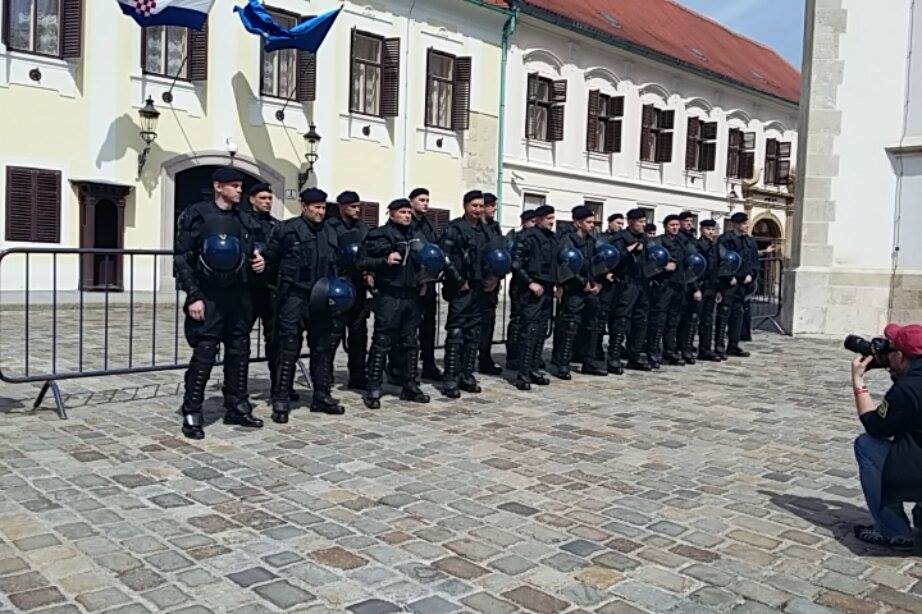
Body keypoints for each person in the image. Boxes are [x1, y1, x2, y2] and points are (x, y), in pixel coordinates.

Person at [173, 167, 265, 439]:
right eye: (234, 185)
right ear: (218, 187)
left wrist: (260, 260)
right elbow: (182, 258)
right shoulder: (197, 214)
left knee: (239, 351)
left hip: (238, 294)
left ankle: (237, 405)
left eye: (240, 186)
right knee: (205, 352)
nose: (239, 190)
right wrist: (193, 295)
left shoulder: (244, 219)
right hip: (208, 294)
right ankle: (192, 410)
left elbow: (254, 248)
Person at [264, 188, 346, 423]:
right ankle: (281, 398)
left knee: (323, 348)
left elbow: (338, 263)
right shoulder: (287, 230)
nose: (320, 212)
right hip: (295, 296)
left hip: (322, 297)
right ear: (304, 206)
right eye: (316, 207)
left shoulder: (331, 231)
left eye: (323, 208)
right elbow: (270, 261)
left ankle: (321, 395)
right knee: (288, 348)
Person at [851, 323, 922, 550]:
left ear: (900, 356)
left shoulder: (907, 389)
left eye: (890, 351)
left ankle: (893, 531)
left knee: (866, 445)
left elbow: (877, 427)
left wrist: (858, 381)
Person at [359, 199, 432, 409]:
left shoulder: (415, 235)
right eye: (402, 212)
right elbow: (362, 261)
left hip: (411, 295)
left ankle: (410, 384)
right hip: (389, 295)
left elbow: (424, 260)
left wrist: (423, 278)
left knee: (411, 343)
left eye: (409, 212)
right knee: (382, 341)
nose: (407, 215)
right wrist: (384, 261)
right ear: (391, 214)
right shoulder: (379, 235)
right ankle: (373, 387)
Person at [440, 191, 491, 397]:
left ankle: (466, 375)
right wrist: (459, 281)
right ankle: (450, 378)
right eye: (474, 206)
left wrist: (493, 278)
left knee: (474, 333)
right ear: (465, 206)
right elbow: (444, 256)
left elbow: (494, 255)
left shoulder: (485, 230)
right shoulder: (454, 228)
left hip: (480, 287)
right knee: (456, 332)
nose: (478, 210)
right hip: (460, 288)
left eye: (481, 206)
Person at [552, 206, 606, 378]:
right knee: (570, 326)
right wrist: (582, 282)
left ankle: (588, 361)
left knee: (593, 326)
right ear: (577, 223)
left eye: (592, 222)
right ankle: (563, 363)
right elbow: (565, 265)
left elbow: (597, 263)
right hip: (574, 289)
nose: (592, 225)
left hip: (590, 290)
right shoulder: (567, 240)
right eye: (588, 222)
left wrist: (598, 283)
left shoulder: (592, 241)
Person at [325, 191, 371, 390]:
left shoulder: (363, 228)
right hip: (338, 285)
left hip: (358, 285)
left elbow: (369, 252)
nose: (357, 209)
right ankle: (325, 374)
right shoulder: (330, 227)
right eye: (353, 206)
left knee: (358, 334)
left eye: (358, 206)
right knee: (332, 334)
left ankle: (358, 375)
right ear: (342, 207)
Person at [510, 205, 558, 390]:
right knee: (528, 331)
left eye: (552, 218)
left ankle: (534, 369)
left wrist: (557, 284)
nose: (552, 222)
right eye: (548, 218)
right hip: (530, 290)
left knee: (541, 331)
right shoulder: (527, 237)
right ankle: (523, 374)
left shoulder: (552, 238)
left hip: (547, 289)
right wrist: (530, 282)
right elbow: (516, 263)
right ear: (538, 219)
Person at [246, 182, 287, 397]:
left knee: (275, 339)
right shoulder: (242, 222)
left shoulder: (277, 226)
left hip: (271, 288)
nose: (268, 202)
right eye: (263, 198)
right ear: (252, 199)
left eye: (270, 198)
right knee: (241, 340)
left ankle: (279, 386)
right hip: (247, 289)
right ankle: (236, 389)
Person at [609, 209, 653, 372]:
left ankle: (634, 355)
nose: (643, 225)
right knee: (621, 320)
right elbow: (613, 258)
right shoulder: (621, 238)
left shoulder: (645, 239)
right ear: (631, 222)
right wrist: (631, 248)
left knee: (641, 320)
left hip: (642, 282)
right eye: (640, 222)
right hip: (626, 283)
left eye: (644, 221)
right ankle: (613, 357)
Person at [407, 187, 442, 380]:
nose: (426, 203)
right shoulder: (407, 223)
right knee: (408, 329)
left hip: (429, 282)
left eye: (427, 200)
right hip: (412, 283)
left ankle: (428, 364)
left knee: (428, 327)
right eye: (421, 200)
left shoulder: (428, 224)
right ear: (411, 201)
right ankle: (404, 368)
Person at [717, 212, 756, 358]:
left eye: (747, 223)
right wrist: (729, 276)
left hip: (743, 283)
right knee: (724, 312)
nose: (747, 226)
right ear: (735, 224)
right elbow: (722, 259)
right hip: (729, 283)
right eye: (744, 223)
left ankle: (733, 345)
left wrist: (751, 275)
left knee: (738, 314)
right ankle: (719, 345)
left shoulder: (749, 241)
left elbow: (753, 261)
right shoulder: (726, 239)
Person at [505, 209, 537, 371]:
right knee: (517, 320)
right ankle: (513, 355)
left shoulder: (537, 237)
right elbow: (514, 262)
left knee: (531, 322)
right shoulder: (518, 237)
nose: (534, 225)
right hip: (519, 284)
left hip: (534, 283)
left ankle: (528, 355)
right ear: (524, 222)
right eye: (531, 221)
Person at [478, 192, 504, 375]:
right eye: (491, 205)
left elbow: (501, 254)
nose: (494, 209)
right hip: (475, 282)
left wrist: (496, 278)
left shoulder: (495, 227)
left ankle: (485, 358)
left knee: (488, 324)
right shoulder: (472, 226)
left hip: (492, 284)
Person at [676, 211, 702, 364]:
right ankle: (680, 348)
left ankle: (686, 346)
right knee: (681, 319)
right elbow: (688, 264)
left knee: (691, 319)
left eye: (691, 221)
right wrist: (694, 287)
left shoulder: (691, 239)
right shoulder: (680, 239)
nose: (690, 223)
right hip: (685, 283)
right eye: (686, 221)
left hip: (694, 282)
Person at [695, 219, 723, 362]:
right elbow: (693, 268)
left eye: (713, 229)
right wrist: (695, 288)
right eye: (708, 229)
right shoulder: (696, 246)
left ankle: (705, 349)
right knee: (693, 319)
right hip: (699, 286)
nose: (711, 232)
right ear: (701, 230)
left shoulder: (714, 247)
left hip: (711, 287)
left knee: (707, 320)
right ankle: (685, 349)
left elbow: (716, 269)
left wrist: (718, 289)